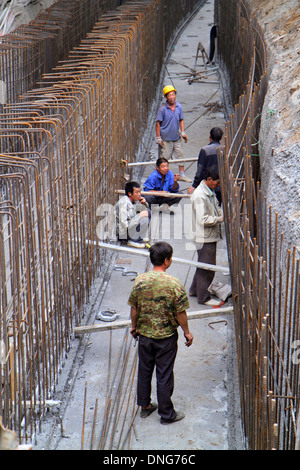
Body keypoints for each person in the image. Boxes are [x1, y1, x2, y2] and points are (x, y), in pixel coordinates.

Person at [128, 241, 193, 425]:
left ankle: (145, 406)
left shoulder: (140, 280)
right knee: (164, 374)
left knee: (145, 370)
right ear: (166, 261)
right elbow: (180, 313)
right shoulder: (174, 284)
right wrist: (187, 332)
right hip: (166, 338)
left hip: (145, 336)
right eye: (170, 257)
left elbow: (134, 308)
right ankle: (166, 414)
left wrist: (134, 327)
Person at [189, 166, 224, 307]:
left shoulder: (209, 191)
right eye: (216, 182)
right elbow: (203, 219)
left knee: (202, 265)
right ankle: (203, 298)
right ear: (209, 179)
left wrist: (220, 213)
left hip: (208, 235)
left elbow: (216, 206)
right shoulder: (199, 195)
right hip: (204, 237)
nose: (218, 184)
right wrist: (219, 219)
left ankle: (194, 290)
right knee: (207, 268)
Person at [156, 85, 192, 183]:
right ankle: (161, 177)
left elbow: (181, 119)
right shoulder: (162, 109)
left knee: (180, 155)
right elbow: (158, 123)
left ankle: (181, 174)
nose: (172, 97)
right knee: (164, 159)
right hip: (166, 139)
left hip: (176, 138)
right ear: (166, 97)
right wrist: (158, 137)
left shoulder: (178, 106)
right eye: (169, 95)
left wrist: (183, 131)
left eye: (173, 95)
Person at [187, 127, 224, 205]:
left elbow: (200, 170)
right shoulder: (224, 150)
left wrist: (194, 185)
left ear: (209, 136)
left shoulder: (205, 150)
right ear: (221, 138)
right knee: (217, 208)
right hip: (220, 185)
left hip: (208, 185)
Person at [115, 181, 151, 249]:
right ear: (130, 194)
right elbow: (125, 226)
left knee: (147, 212)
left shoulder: (133, 200)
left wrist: (144, 204)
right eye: (137, 192)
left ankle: (138, 237)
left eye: (140, 192)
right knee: (144, 217)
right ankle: (133, 240)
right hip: (123, 232)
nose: (139, 194)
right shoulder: (123, 203)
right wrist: (140, 215)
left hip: (129, 228)